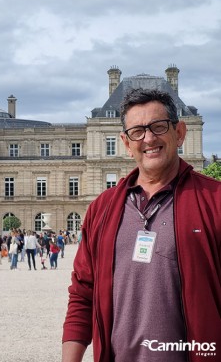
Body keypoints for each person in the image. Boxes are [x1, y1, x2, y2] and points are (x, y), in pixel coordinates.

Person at [62, 88, 221, 362]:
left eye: (158, 127)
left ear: (180, 133)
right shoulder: (102, 208)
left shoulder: (215, 201)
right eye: (137, 131)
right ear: (125, 142)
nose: (148, 138)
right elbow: (82, 293)